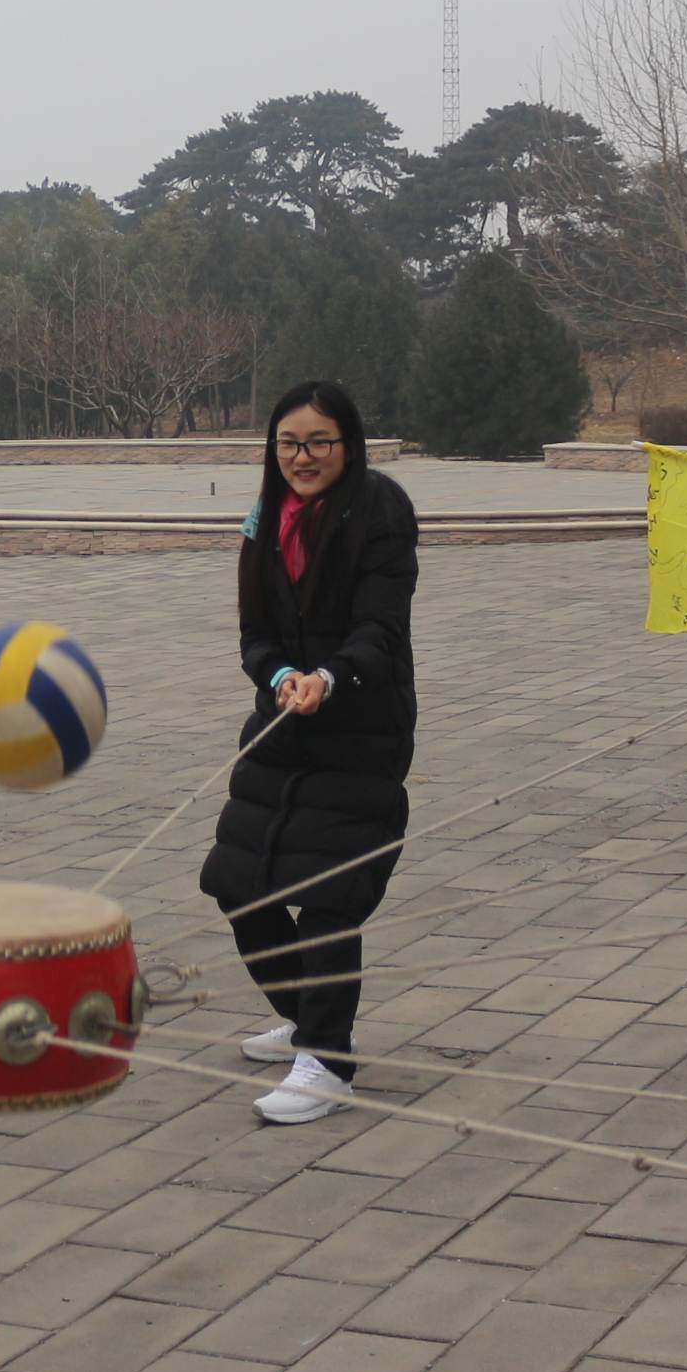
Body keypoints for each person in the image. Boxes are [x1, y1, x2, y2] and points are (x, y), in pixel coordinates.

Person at [202, 381, 417, 1127]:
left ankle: (326, 1063)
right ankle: (308, 1020)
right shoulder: (264, 518)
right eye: (289, 444)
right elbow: (254, 635)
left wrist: (329, 677)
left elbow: (381, 630)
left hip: (362, 730)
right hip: (281, 725)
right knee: (239, 884)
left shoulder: (380, 511)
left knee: (330, 894)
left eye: (320, 442)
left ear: (348, 445)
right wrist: (281, 677)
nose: (303, 457)